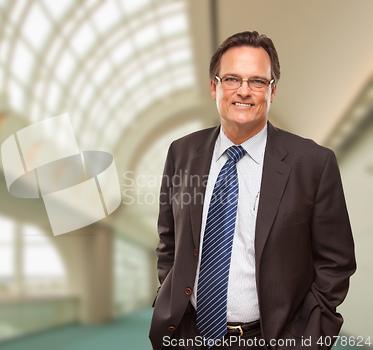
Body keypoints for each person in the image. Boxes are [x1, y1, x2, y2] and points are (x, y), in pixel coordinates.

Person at [149, 31, 356, 350]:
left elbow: (336, 261)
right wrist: (171, 295)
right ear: (214, 86)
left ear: (272, 92)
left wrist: (311, 334)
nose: (243, 91)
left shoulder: (313, 163)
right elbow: (169, 240)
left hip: (272, 339)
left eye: (257, 81)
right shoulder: (183, 152)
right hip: (188, 335)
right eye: (232, 78)